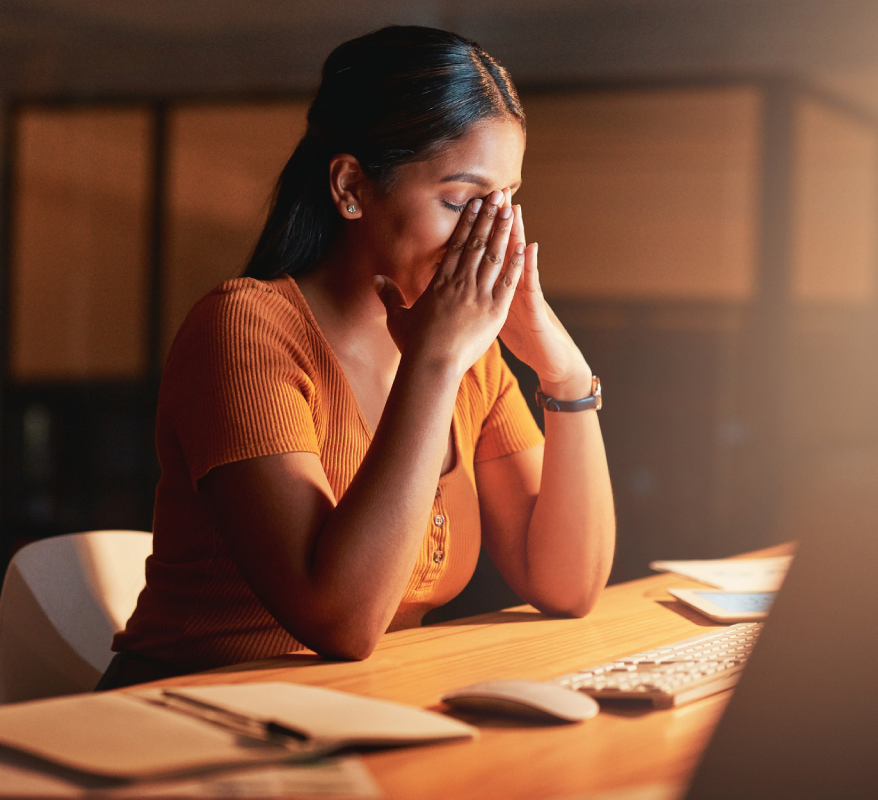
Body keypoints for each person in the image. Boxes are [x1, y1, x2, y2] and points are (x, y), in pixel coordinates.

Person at [102, 25, 615, 690]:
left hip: (351, 715)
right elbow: (340, 620)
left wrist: (565, 373)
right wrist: (433, 363)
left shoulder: (472, 362)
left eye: (504, 202)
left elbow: (567, 585)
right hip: (188, 721)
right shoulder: (245, 329)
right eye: (460, 200)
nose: (489, 234)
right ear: (350, 187)